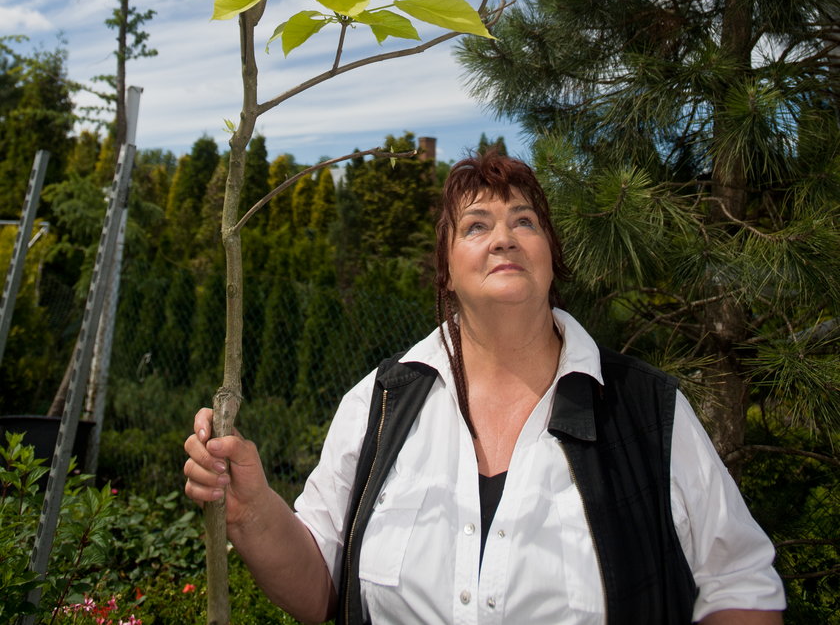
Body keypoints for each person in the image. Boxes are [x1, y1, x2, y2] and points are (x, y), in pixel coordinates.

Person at [184, 152, 786, 624]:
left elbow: (741, 583)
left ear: (551, 257)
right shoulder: (380, 403)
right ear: (446, 268)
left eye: (525, 221)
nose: (504, 238)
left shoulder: (648, 411)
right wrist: (253, 510)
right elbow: (319, 591)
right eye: (477, 225)